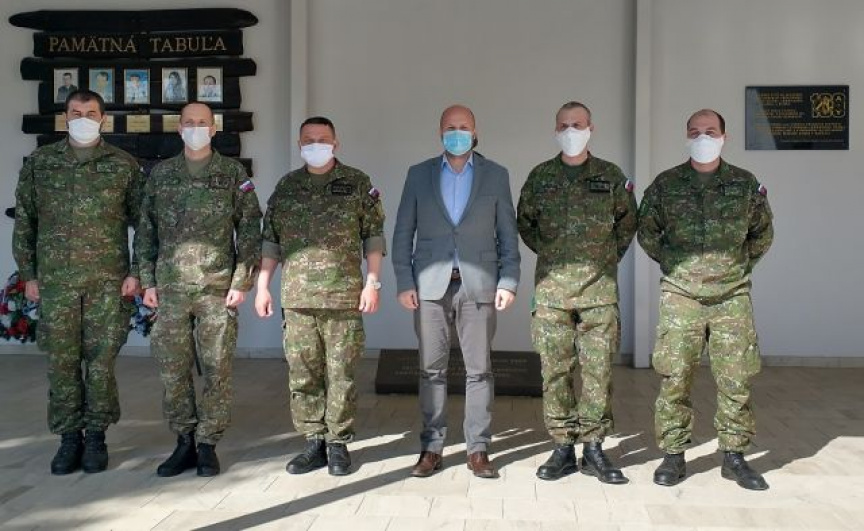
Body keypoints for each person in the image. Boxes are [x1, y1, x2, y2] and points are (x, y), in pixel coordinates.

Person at [638, 109, 774, 490]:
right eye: (695, 131)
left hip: (732, 296)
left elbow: (762, 233)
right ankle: (673, 454)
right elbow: (647, 231)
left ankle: (735, 456)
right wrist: (675, 265)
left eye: (710, 131)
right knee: (675, 377)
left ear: (724, 137)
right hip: (681, 295)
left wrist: (736, 267)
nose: (702, 138)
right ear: (686, 137)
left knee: (736, 378)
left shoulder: (744, 184)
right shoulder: (666, 185)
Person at [13, 89, 143, 475]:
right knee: (62, 363)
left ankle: (97, 437)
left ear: (103, 118)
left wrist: (137, 272)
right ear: (65, 117)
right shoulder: (41, 163)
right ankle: (69, 437)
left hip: (107, 283)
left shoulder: (122, 164)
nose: (83, 118)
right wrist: (29, 274)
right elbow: (25, 221)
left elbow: (146, 224)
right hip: (56, 283)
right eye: (75, 112)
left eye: (90, 112)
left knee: (100, 364)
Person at [392, 105, 521, 479]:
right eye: (451, 127)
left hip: (478, 284)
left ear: (475, 132)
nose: (457, 132)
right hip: (430, 285)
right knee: (431, 370)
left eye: (464, 127)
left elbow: (507, 233)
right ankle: (431, 448)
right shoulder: (419, 175)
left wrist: (508, 281)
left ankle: (478, 448)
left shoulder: (496, 175)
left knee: (479, 371)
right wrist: (404, 281)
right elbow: (403, 231)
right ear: (440, 132)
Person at [136, 102, 262, 477]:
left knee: (217, 370)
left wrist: (241, 281)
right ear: (179, 129)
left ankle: (207, 443)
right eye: (188, 122)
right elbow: (146, 230)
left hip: (216, 288)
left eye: (201, 122)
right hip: (170, 289)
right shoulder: (161, 174)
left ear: (213, 128)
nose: (195, 128)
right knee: (173, 371)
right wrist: (147, 281)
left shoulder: (232, 173)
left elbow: (250, 228)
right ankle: (184, 441)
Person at [255, 116, 386, 477]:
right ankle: (313, 441)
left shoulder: (357, 183)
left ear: (335, 143)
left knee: (341, 372)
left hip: (343, 296)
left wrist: (372, 283)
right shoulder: (287, 187)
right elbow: (270, 241)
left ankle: (338, 442)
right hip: (297, 298)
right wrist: (263, 286)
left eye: (323, 139)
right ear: (300, 145)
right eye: (309, 139)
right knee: (303, 373)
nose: (316, 144)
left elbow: (373, 237)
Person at [517, 101, 637, 484]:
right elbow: (526, 224)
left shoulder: (610, 176)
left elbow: (627, 225)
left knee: (598, 372)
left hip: (599, 293)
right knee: (555, 372)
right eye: (565, 125)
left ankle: (595, 448)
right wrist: (554, 256)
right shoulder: (540, 177)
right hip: (552, 294)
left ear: (590, 129)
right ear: (556, 130)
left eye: (578, 124)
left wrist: (602, 259)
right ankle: (562, 448)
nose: (571, 131)